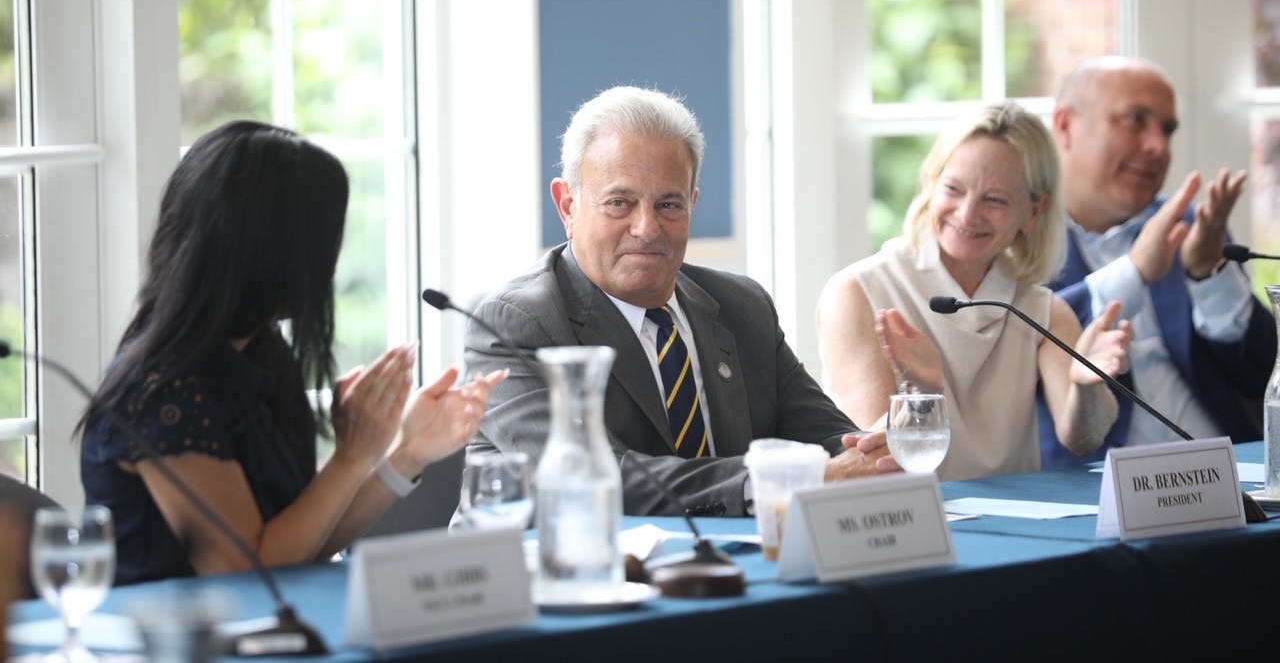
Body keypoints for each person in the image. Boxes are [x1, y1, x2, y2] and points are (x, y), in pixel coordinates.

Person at [78, 121, 505, 584]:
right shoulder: (165, 395)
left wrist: (407, 451)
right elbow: (248, 572)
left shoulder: (259, 352)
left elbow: (308, 541)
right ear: (269, 252)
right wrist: (350, 457)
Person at [464, 86, 895, 517]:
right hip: (564, 571)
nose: (646, 228)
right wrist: (793, 481)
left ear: (692, 203)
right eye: (620, 203)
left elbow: (831, 440)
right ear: (568, 205)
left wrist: (876, 453)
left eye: (669, 204)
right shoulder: (515, 324)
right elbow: (591, 479)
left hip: (734, 569)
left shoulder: (742, 306)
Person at [817, 102, 1133, 480]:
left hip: (1012, 530)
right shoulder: (856, 292)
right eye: (953, 189)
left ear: (1034, 212)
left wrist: (1086, 385)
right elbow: (876, 459)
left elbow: (1083, 438)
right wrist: (923, 390)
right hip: (906, 521)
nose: (967, 214)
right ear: (931, 185)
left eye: (995, 200)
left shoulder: (1039, 308)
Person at [1037, 56, 1277, 468]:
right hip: (1097, 492)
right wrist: (1133, 274)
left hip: (1229, 481)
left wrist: (1209, 274)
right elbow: (1022, 347)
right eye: (1135, 120)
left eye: (1167, 130)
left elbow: (1259, 371)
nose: (1158, 147)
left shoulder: (1187, 226)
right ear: (1065, 126)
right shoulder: (1018, 239)